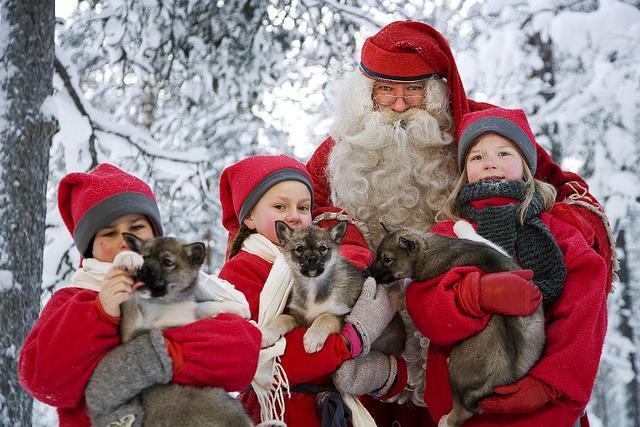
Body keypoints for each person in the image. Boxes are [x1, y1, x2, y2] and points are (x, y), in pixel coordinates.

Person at [306, 20, 615, 426]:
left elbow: (564, 187)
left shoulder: (481, 130)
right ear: (365, 93)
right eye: (385, 90)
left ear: (434, 90)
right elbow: (284, 212)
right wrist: (355, 248)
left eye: (413, 90)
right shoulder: (339, 150)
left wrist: (547, 230)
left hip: (493, 344)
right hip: (380, 351)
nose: (400, 105)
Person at [406, 107, 607, 426]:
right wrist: (472, 294)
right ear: (464, 172)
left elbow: (583, 310)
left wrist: (549, 384)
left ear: (526, 166)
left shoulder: (560, 233)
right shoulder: (448, 233)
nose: (489, 162)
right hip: (466, 401)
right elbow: (425, 304)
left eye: (504, 152)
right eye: (476, 157)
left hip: (542, 407)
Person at [18, 163, 261, 427]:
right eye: (109, 233)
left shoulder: (191, 285)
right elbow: (43, 380)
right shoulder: (74, 300)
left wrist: (161, 355)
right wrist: (100, 311)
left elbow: (242, 356)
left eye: (136, 227)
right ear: (89, 247)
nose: (125, 239)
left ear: (155, 235)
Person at [217, 154, 399, 426]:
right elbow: (265, 362)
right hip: (278, 409)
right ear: (250, 218)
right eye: (280, 206)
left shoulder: (314, 265)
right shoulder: (241, 271)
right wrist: (348, 341)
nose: (294, 216)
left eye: (303, 208)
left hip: (330, 409)